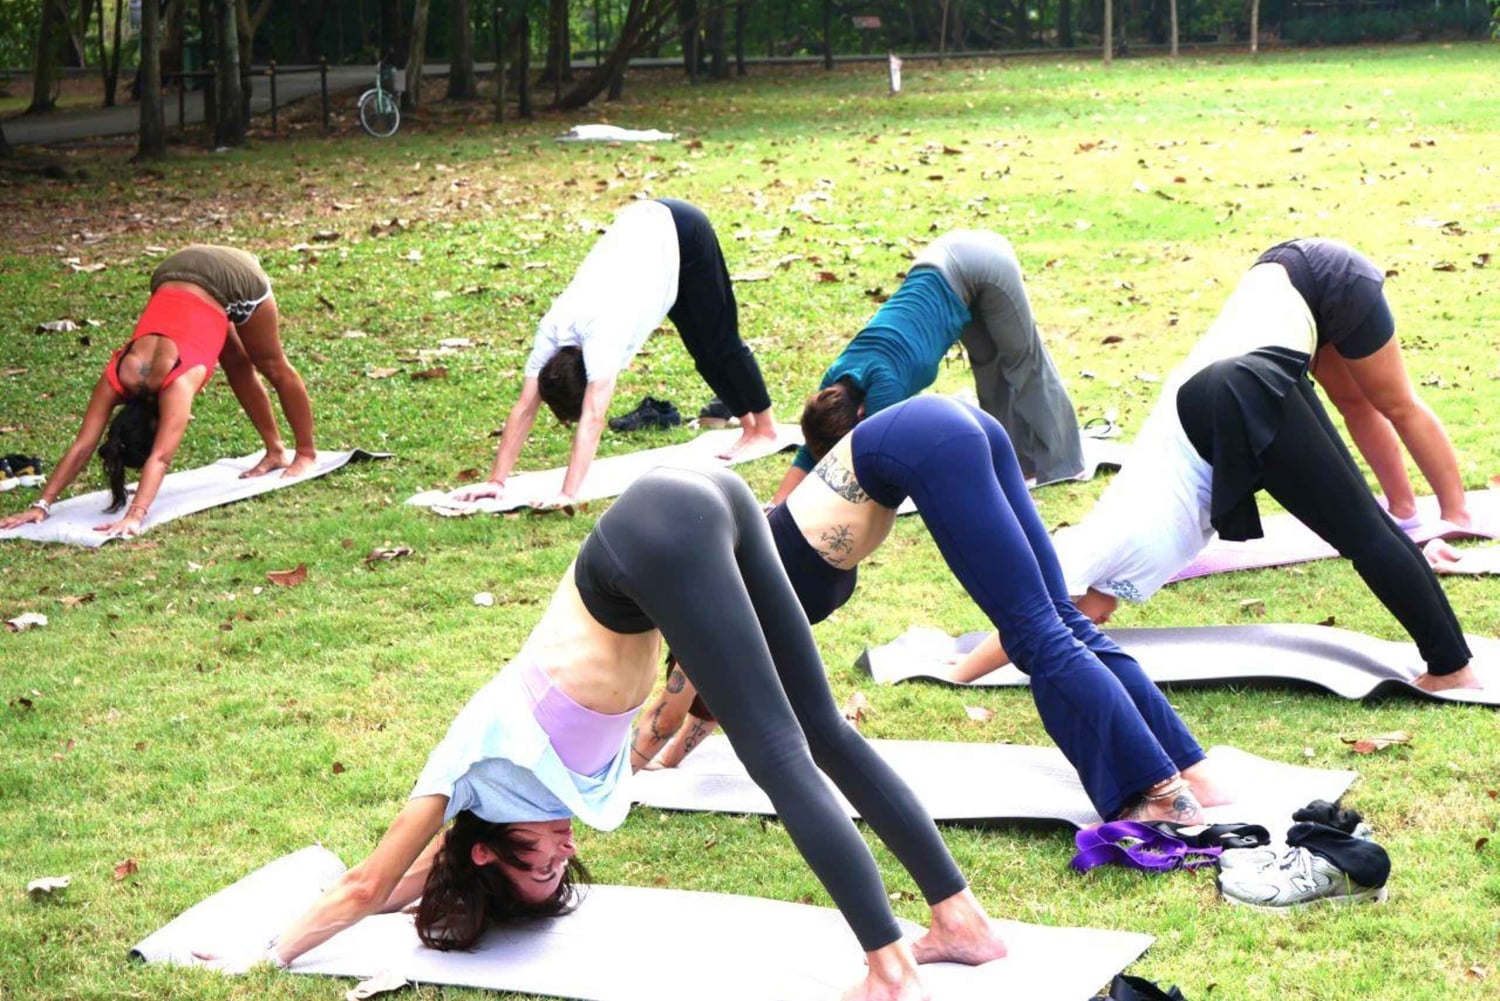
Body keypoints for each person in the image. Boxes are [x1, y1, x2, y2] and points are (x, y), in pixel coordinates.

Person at [247, 466, 1006, 1001]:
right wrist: (438, 901)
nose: (566, 854)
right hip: (705, 504)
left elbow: (368, 884)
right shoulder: (516, 815)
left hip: (657, 531)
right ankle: (959, 919)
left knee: (780, 754)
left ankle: (891, 970)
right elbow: (420, 887)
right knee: (821, 734)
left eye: (541, 869)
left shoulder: (466, 761)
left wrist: (267, 951)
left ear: (484, 848)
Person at [635, 396, 1225, 826]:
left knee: (1038, 632)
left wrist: (624, 776)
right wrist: (671, 762)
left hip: (926, 443)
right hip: (956, 427)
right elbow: (697, 718)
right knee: (1058, 620)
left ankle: (1162, 790)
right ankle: (1185, 768)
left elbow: (668, 711)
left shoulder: (709, 613)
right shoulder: (745, 614)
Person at [951, 238, 1482, 693]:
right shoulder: (1101, 573)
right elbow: (1083, 613)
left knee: (1363, 532)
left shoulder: (1083, 553)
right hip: (1234, 382)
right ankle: (1450, 659)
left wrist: (957, 673)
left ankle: (1451, 667)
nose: (1100, 616)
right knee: (1366, 526)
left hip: (1230, 394)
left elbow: (1033, 624)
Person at [453, 200, 778, 511]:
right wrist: (496, 481)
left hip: (681, 230)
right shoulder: (552, 331)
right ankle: (747, 425)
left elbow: (593, 417)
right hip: (651, 245)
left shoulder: (601, 339)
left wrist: (568, 493)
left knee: (721, 340)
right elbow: (525, 407)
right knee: (702, 349)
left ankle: (765, 429)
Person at [0, 245, 315, 538]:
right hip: (172, 270)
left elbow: (161, 457)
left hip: (233, 276)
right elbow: (84, 445)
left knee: (270, 363)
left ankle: (305, 453)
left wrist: (135, 515)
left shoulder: (177, 384)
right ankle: (275, 451)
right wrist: (40, 505)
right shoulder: (116, 375)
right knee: (235, 364)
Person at [771, 230, 1082, 503]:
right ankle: (1018, 464)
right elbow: (812, 450)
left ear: (861, 415)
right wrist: (778, 505)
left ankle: (1063, 465)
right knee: (989, 370)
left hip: (978, 261)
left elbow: (874, 474)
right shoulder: (834, 385)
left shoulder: (884, 392)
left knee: (1024, 363)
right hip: (943, 270)